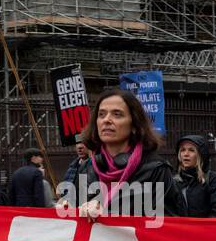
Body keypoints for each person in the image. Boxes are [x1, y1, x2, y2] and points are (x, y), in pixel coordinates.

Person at [72, 89, 183, 219]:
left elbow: (169, 227)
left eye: (117, 114)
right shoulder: (86, 168)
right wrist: (67, 207)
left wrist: (108, 214)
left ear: (134, 125)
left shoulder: (156, 170)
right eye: (101, 114)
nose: (106, 120)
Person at [175, 134, 216, 217]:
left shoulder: (213, 179)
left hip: (205, 229)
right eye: (182, 150)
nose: (186, 154)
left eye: (191, 150)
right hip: (180, 229)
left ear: (201, 154)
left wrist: (203, 229)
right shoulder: (174, 181)